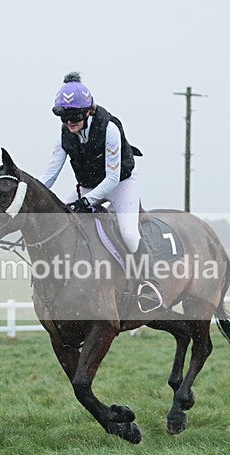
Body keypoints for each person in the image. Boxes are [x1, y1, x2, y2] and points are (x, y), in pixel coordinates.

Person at [40, 72, 163, 312]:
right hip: (87, 187)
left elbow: (113, 177)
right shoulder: (65, 135)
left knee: (128, 233)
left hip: (120, 185)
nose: (69, 122)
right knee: (59, 221)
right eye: (63, 117)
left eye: (74, 116)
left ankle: (149, 283)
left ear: (88, 112)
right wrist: (32, 195)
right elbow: (50, 174)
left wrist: (88, 201)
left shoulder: (110, 130)